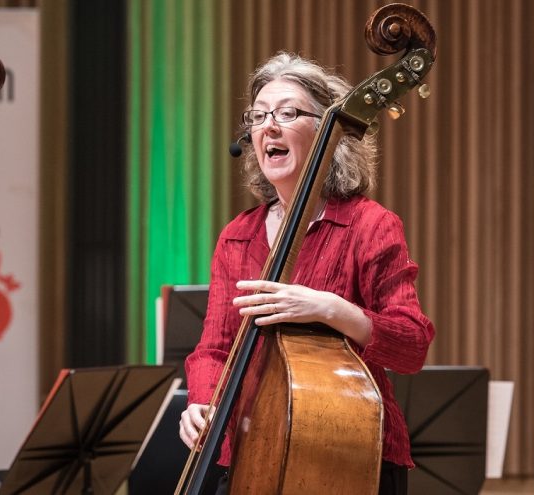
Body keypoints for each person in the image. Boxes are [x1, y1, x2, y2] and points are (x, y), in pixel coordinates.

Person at [179, 52, 435, 495]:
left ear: (327, 133)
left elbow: (411, 345)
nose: (268, 127)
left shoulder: (370, 225)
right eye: (258, 116)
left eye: (287, 113)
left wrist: (329, 308)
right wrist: (202, 400)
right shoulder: (237, 236)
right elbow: (213, 350)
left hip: (350, 456)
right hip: (248, 455)